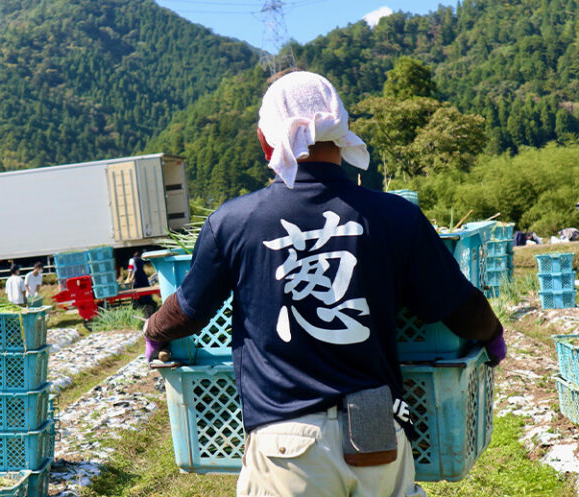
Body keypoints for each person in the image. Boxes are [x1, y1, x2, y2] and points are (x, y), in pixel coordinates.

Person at [143, 71, 506, 497]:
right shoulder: (394, 216)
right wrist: (493, 336)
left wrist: (153, 331)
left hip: (285, 440)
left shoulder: (235, 221)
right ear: (342, 133)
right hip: (375, 428)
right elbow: (459, 306)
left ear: (266, 141)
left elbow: (188, 310)